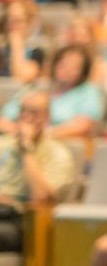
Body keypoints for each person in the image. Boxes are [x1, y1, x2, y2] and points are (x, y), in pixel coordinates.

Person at [0, 89, 76, 252]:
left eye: (34, 113)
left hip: (24, 221)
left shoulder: (58, 153)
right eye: (23, 111)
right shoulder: (3, 144)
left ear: (47, 118)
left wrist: (26, 149)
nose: (27, 117)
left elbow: (42, 198)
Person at [0, 44, 106, 139]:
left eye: (74, 66)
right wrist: (19, 131)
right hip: (19, 141)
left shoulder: (89, 92)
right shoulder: (36, 88)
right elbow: (5, 118)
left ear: (83, 71)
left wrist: (41, 135)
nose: (67, 69)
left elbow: (82, 127)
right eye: (63, 63)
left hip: (63, 146)